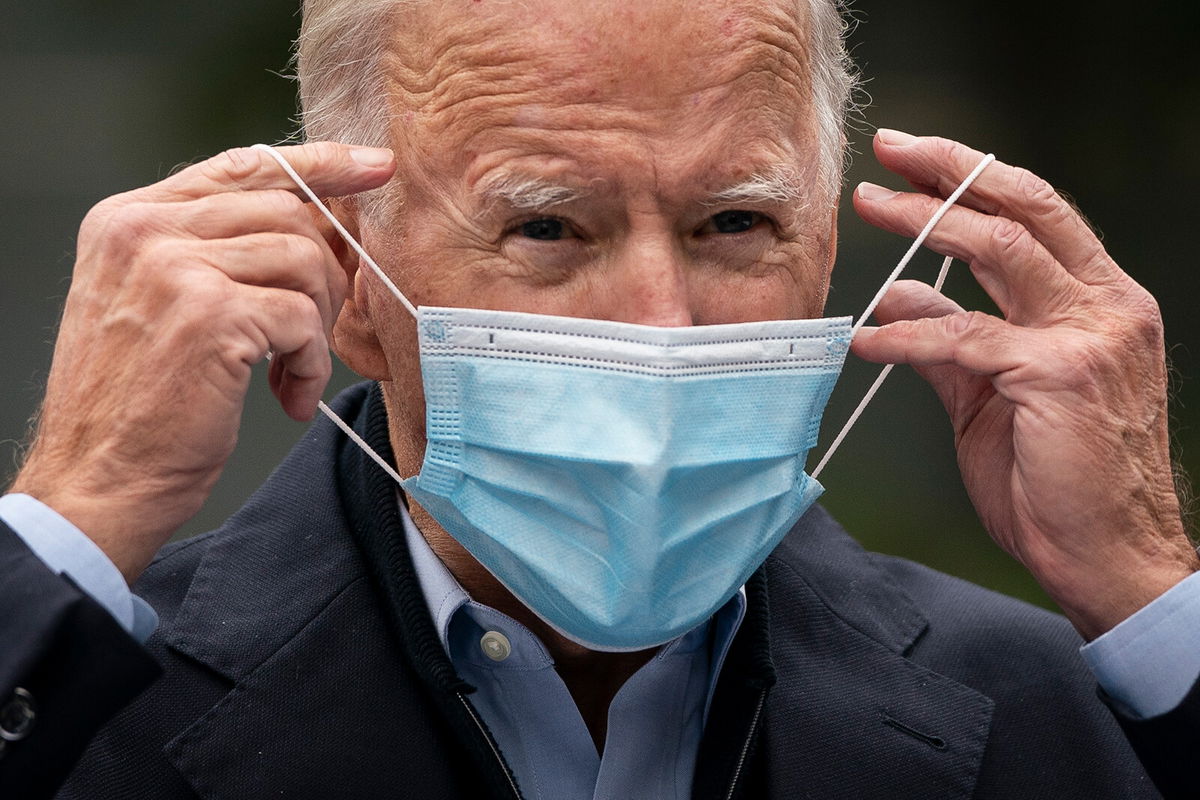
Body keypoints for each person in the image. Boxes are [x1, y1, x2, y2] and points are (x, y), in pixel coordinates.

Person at [3, 0, 1199, 797]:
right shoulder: (76, 707)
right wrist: (77, 509)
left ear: (828, 252)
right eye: (546, 226)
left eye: (735, 221)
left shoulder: (1055, 708)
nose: (659, 327)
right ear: (346, 281)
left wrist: (1147, 588)